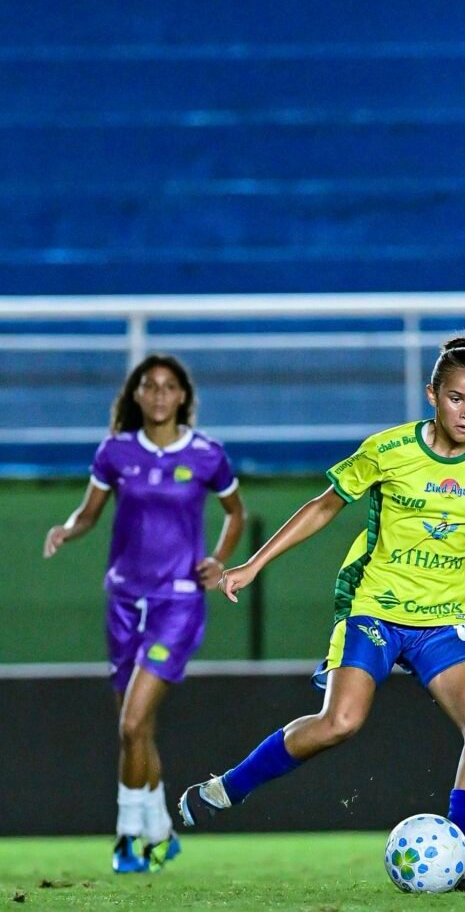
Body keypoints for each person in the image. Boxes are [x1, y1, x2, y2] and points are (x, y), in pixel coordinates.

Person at [177, 334, 465, 891]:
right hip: (373, 607)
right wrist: (252, 565)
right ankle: (228, 787)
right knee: (341, 722)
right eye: (457, 399)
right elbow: (322, 508)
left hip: (443, 618)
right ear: (432, 394)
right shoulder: (388, 451)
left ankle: (455, 864)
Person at [43, 354, 246, 874]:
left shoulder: (206, 455)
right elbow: (89, 513)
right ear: (136, 395)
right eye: (149, 386)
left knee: (132, 723)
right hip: (123, 601)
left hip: (176, 603)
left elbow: (235, 513)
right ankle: (161, 832)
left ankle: (130, 837)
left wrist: (219, 561)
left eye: (169, 386)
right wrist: (67, 529)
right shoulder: (115, 452)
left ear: (183, 397)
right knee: (138, 728)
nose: (158, 394)